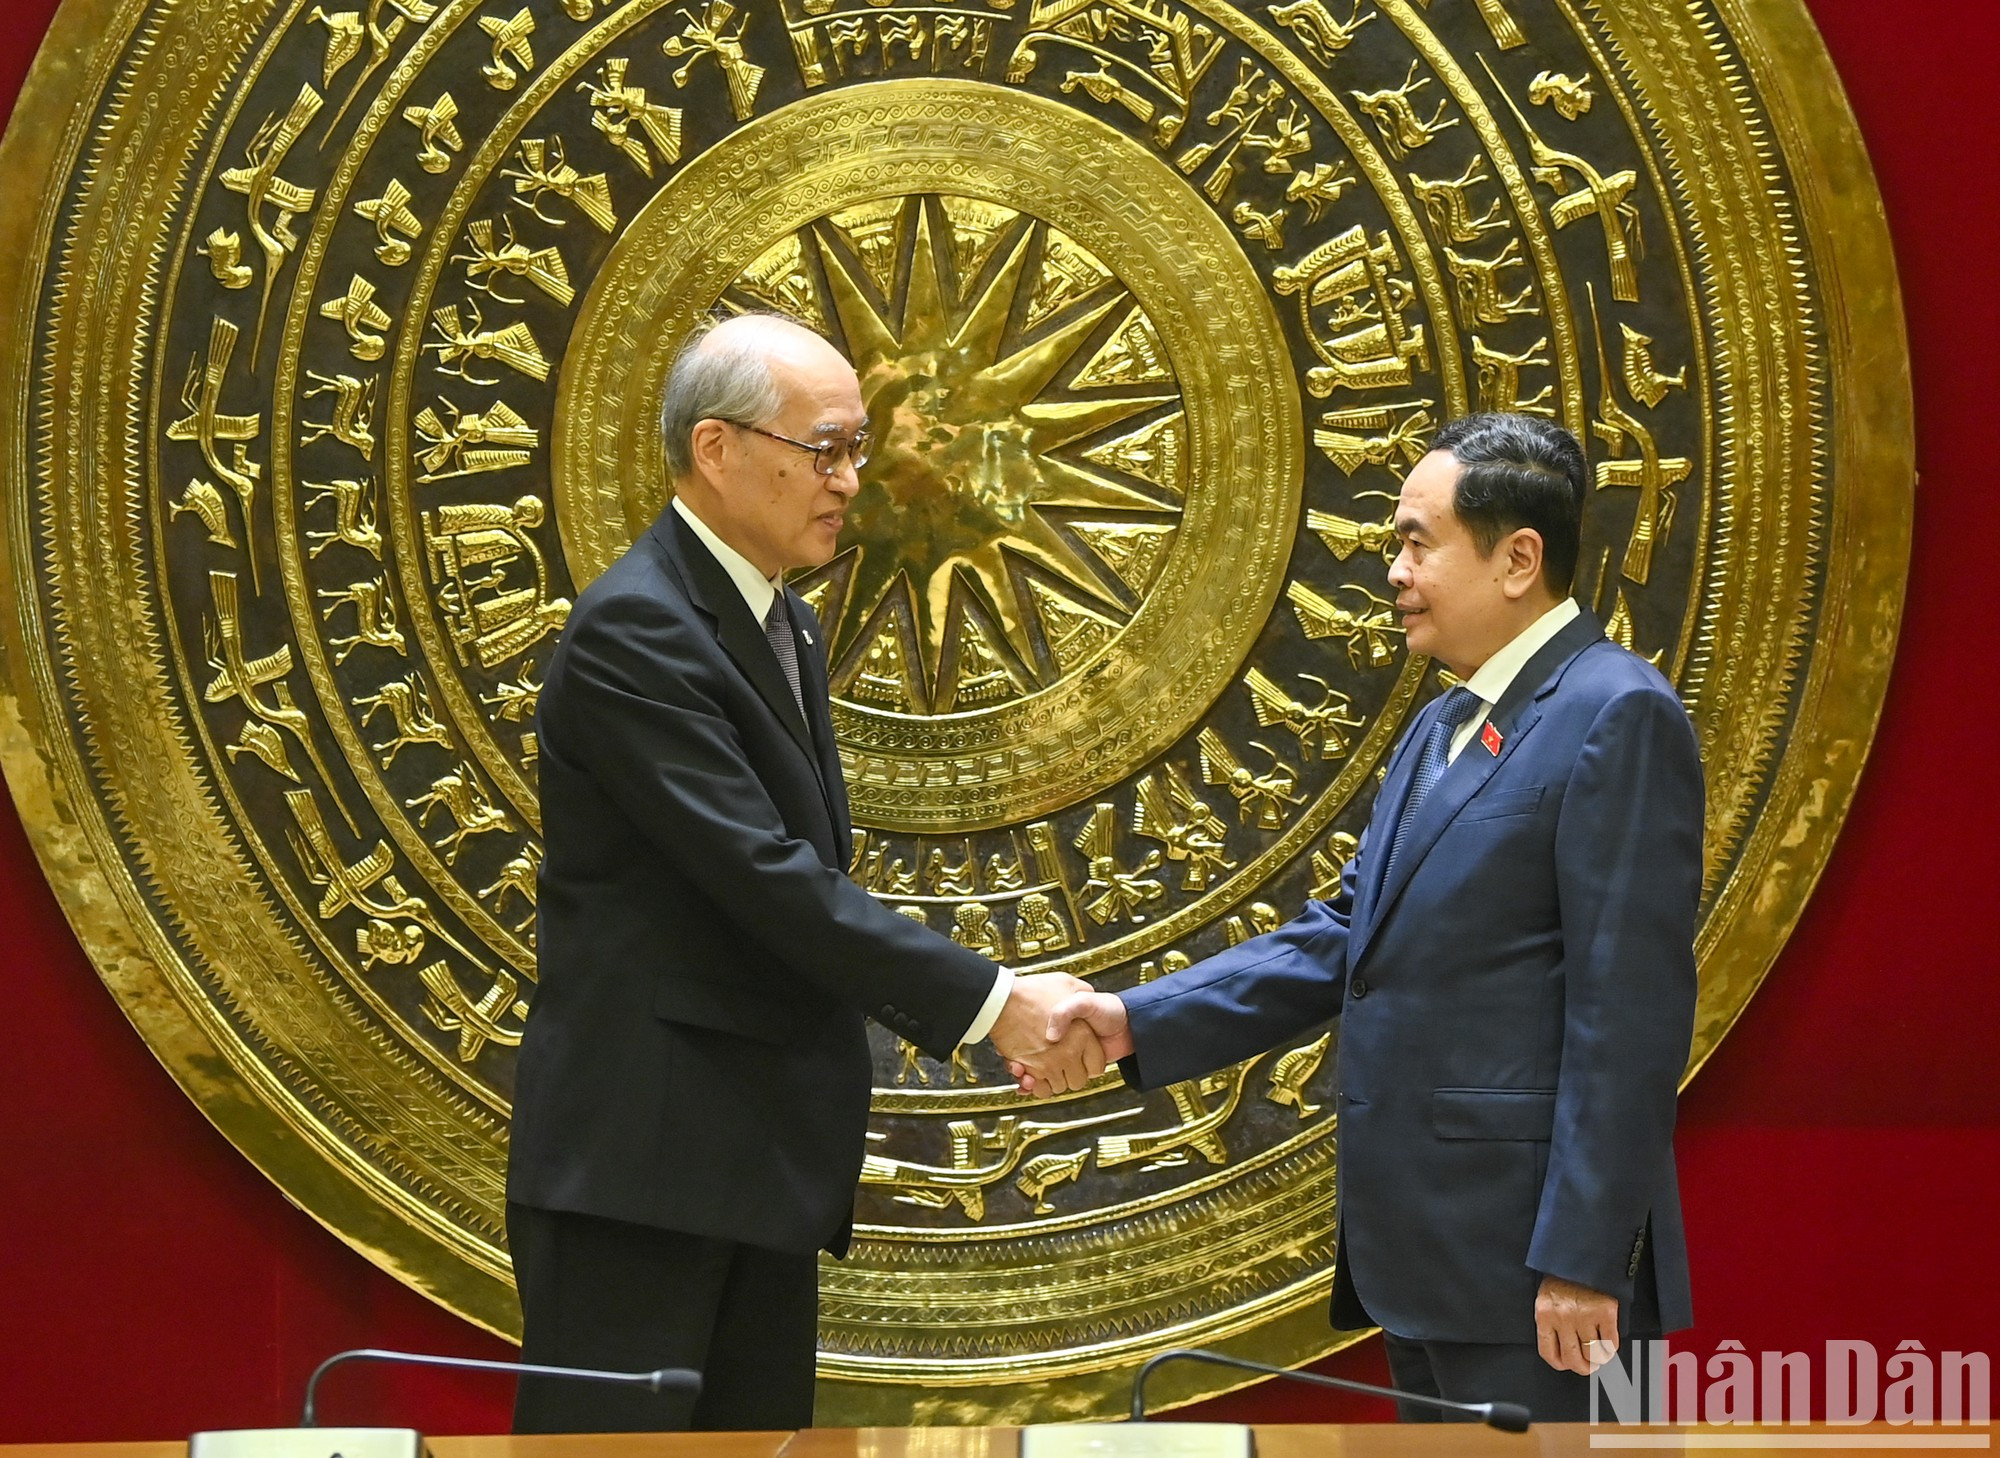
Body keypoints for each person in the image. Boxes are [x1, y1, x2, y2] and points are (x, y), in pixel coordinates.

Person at [1037, 412, 1703, 1422]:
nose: (1391, 570)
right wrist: (1136, 1019)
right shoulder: (1447, 719)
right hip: (1431, 1262)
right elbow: (1342, 935)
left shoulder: (1615, 713)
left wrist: (1582, 1260)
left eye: (1414, 541)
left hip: (1539, 1281)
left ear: (1517, 558)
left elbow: (1627, 1019)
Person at [508, 313, 1103, 1433]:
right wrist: (993, 1005)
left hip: (749, 1160)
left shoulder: (781, 620)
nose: (848, 482)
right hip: (644, 1172)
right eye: (822, 449)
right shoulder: (639, 627)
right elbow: (764, 876)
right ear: (718, 449)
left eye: (857, 451)